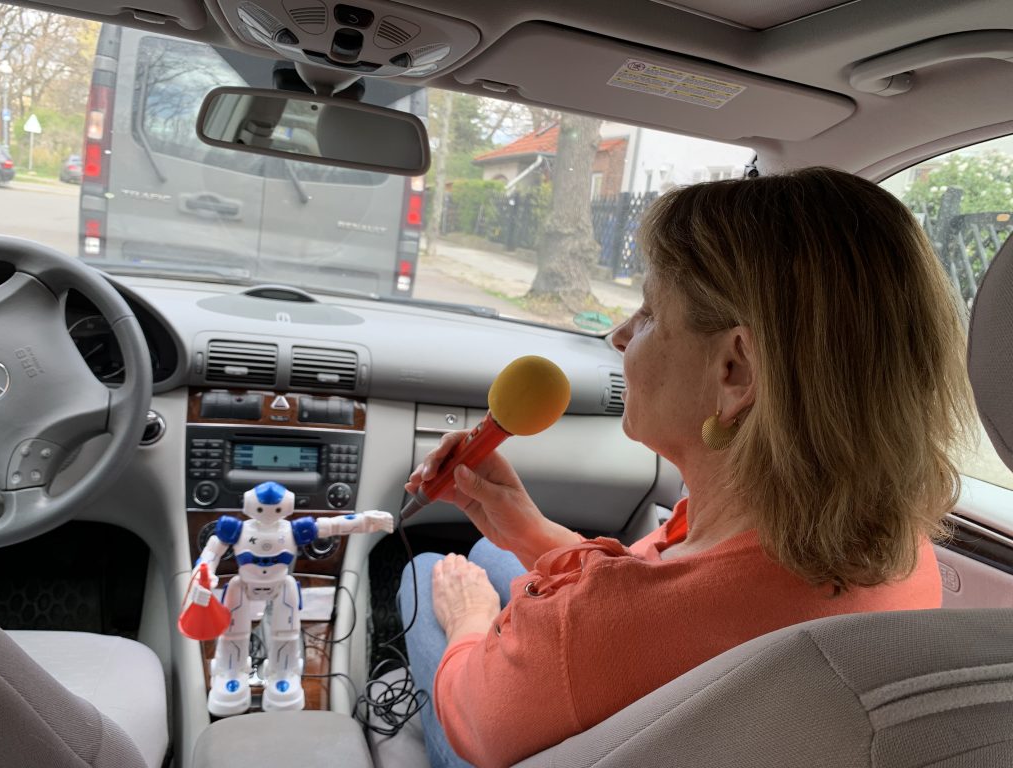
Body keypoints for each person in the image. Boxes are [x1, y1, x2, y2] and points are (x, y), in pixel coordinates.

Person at [397, 167, 975, 768]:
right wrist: (526, 532)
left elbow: (478, 724)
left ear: (736, 371)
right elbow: (662, 590)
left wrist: (471, 619)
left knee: (429, 571)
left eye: (648, 314)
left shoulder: (594, 627)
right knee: (489, 556)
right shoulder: (899, 550)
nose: (620, 336)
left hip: (503, 724)